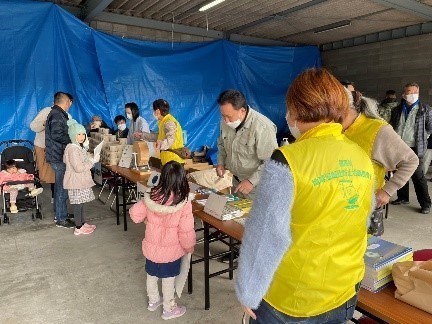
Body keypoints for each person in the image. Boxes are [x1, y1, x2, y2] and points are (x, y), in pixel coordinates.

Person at [236, 68, 375, 323]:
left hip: (294, 298)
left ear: (296, 110)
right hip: (344, 289)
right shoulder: (360, 155)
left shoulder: (287, 160)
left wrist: (248, 290)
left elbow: (264, 234)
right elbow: (363, 221)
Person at [343, 90, 418, 235]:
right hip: (340, 205)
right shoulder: (336, 129)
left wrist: (387, 191)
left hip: (366, 205)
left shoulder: (377, 129)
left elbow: (410, 160)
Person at [129, 161, 195, 320]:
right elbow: (185, 231)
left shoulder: (151, 195)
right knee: (168, 280)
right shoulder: (184, 202)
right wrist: (189, 247)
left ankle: (153, 301)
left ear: (163, 176)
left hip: (151, 249)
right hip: (170, 252)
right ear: (182, 179)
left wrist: (147, 219)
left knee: (151, 275)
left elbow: (134, 214)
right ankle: (169, 309)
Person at [216, 89, 278, 200]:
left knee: (255, 216)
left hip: (257, 187)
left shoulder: (262, 127)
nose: (226, 120)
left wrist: (251, 181)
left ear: (242, 111)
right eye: (223, 115)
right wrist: (221, 163)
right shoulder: (225, 122)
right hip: (236, 183)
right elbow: (221, 144)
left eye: (229, 116)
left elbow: (271, 162)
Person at [389, 83, 432, 214]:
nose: (412, 95)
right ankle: (403, 197)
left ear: (418, 93)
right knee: (399, 173)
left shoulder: (425, 109)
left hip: (415, 148)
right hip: (399, 146)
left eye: (415, 92)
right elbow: (392, 125)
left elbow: (430, 127)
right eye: (409, 92)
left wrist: (422, 138)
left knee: (418, 176)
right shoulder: (396, 109)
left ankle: (426, 204)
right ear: (404, 94)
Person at [63, 120, 98, 235]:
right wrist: (91, 161)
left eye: (83, 134)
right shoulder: (73, 149)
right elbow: (78, 168)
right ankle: (78, 227)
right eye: (79, 134)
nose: (82, 137)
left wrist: (87, 154)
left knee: (82, 202)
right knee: (78, 205)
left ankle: (82, 223)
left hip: (80, 181)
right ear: (73, 135)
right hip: (76, 181)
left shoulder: (76, 147)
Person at [45, 91, 75, 228]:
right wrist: (74, 139)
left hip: (56, 155)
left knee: (60, 187)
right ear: (66, 101)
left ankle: (60, 213)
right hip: (58, 156)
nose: (70, 104)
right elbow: (57, 135)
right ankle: (61, 219)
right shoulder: (57, 115)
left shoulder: (56, 114)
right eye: (69, 101)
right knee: (62, 187)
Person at [134, 99, 185, 165]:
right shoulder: (163, 121)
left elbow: (171, 138)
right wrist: (142, 135)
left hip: (173, 162)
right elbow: (159, 136)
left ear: (157, 111)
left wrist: (161, 144)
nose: (153, 112)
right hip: (168, 160)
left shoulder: (169, 122)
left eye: (153, 110)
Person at [29, 106, 55, 203]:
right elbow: (33, 126)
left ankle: (54, 197)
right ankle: (33, 191)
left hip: (56, 149)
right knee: (42, 174)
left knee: (55, 174)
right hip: (42, 147)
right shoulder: (46, 111)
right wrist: (44, 123)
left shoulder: (67, 115)